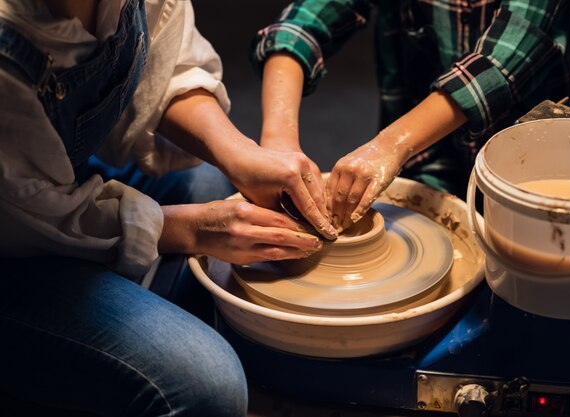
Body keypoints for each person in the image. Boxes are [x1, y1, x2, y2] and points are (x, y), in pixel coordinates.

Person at [0, 0, 338, 415]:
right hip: (13, 235)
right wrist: (190, 231)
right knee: (209, 382)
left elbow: (164, 59)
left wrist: (238, 153)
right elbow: (27, 217)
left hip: (49, 171)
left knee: (211, 183)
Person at [251, 0, 570, 232]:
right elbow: (304, 23)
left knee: (534, 278)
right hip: (430, 151)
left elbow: (502, 59)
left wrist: (390, 144)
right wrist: (278, 141)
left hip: (533, 151)